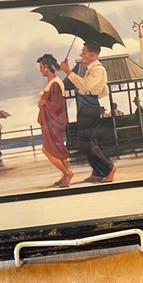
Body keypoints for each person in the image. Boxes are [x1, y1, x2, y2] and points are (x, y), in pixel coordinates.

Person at [59, 41, 116, 184]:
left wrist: (68, 72)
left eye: (84, 52)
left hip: (90, 105)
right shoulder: (87, 69)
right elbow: (82, 86)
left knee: (86, 141)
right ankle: (97, 171)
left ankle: (109, 168)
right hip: (83, 104)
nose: (81, 54)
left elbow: (85, 86)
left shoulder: (98, 70)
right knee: (84, 141)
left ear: (93, 55)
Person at [37, 53, 72, 188]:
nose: (40, 70)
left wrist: (43, 102)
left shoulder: (55, 83)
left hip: (52, 122)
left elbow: (56, 105)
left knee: (47, 149)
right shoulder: (54, 82)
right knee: (59, 149)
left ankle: (67, 173)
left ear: (46, 67)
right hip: (53, 121)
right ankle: (65, 176)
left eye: (41, 67)